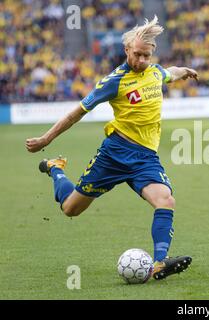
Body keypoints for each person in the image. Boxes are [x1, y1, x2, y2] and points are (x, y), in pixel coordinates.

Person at [25, 16, 198, 280]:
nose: (141, 61)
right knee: (71, 209)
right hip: (114, 155)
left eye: (146, 56)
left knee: (166, 200)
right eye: (137, 54)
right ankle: (56, 169)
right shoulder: (114, 81)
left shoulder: (154, 72)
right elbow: (77, 112)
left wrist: (184, 69)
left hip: (145, 159)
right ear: (127, 50)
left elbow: (169, 72)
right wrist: (46, 139)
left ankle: (160, 263)